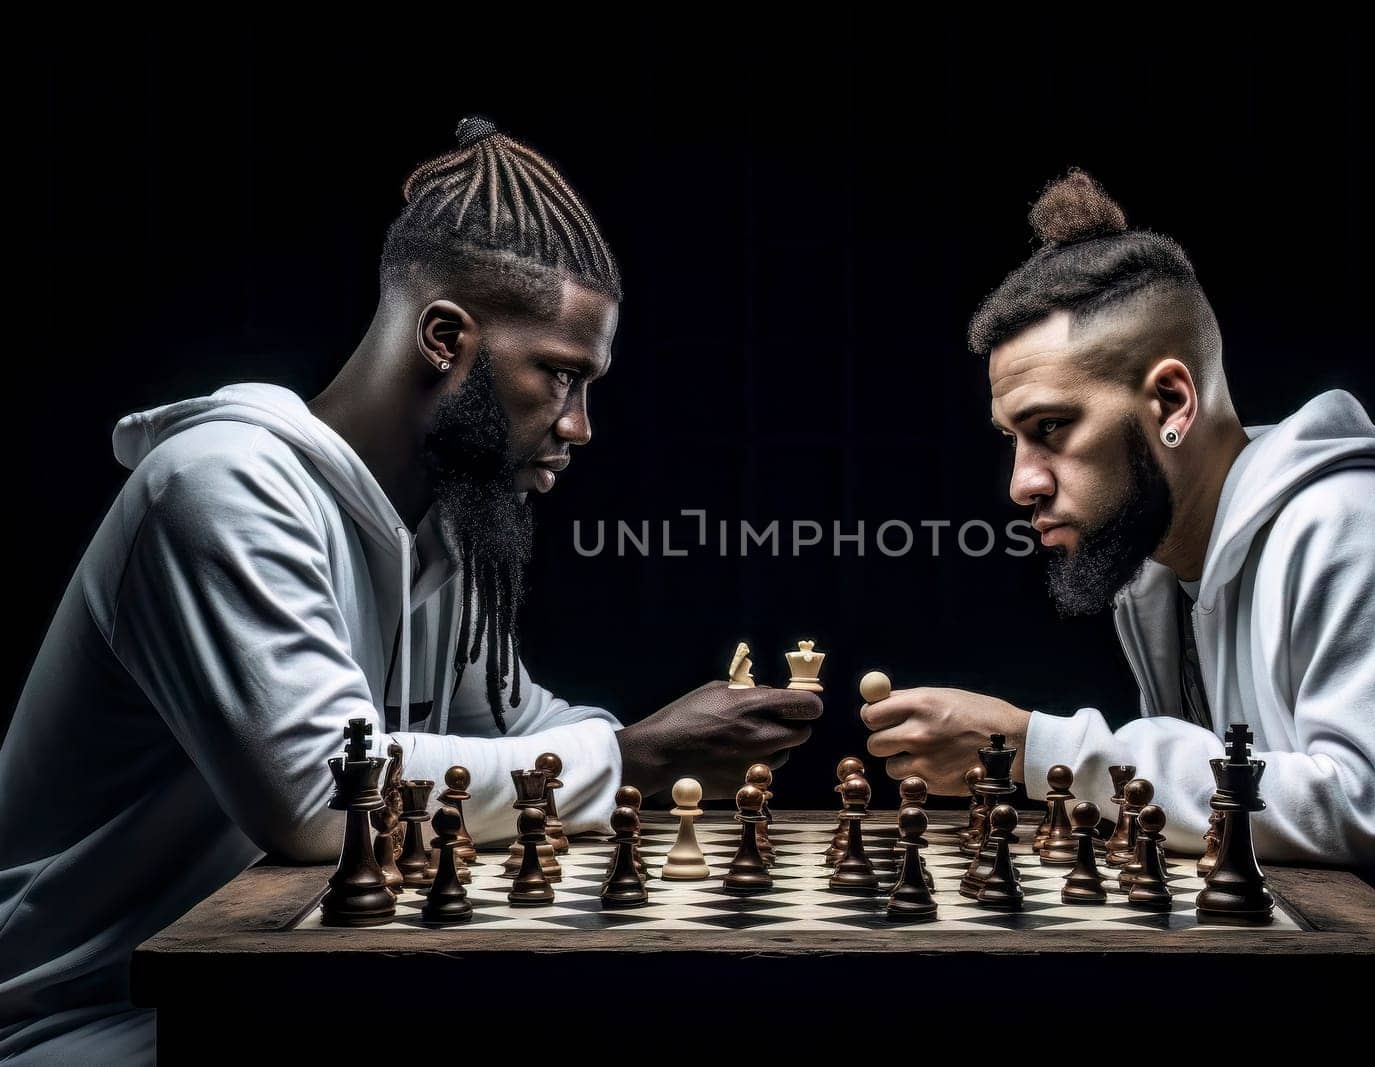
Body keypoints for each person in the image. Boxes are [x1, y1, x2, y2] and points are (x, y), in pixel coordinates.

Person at [0, 116, 820, 1063]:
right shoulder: (221, 485)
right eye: (560, 375)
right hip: (93, 1024)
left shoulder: (439, 530)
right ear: (444, 337)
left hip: (281, 985)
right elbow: (318, 798)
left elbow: (522, 730)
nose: (581, 425)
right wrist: (629, 761)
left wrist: (635, 762)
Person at [858, 167, 1375, 1063]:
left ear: (1171, 402)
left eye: (1051, 429)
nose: (1021, 482)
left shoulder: (1362, 532)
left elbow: (1357, 812)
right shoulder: (1160, 577)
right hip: (1347, 990)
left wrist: (1033, 747)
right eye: (1011, 439)